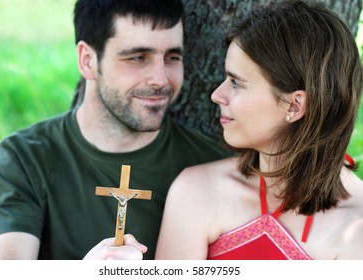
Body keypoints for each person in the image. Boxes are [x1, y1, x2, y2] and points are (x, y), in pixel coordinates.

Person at [0, 0, 230, 260]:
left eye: (172, 57)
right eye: (137, 57)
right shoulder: (25, 158)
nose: (160, 79)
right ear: (88, 61)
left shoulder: (213, 165)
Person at [155, 0, 363, 259]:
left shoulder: (357, 229)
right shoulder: (197, 191)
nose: (217, 95)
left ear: (295, 105)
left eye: (236, 83)